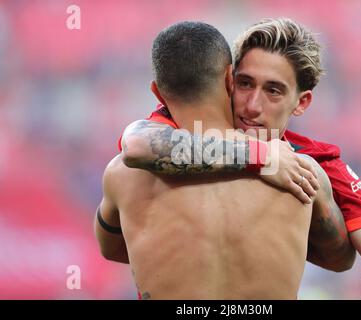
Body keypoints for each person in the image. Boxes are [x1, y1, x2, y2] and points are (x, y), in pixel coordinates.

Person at [119, 18, 361, 299]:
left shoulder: (317, 163)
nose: (252, 106)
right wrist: (262, 156)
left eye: (273, 91)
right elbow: (136, 145)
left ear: (301, 102)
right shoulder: (184, 130)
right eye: (245, 83)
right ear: (228, 80)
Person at [95, 21, 341, 299]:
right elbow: (340, 258)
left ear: (157, 92)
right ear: (229, 78)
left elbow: (111, 249)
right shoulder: (301, 172)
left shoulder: (121, 175)